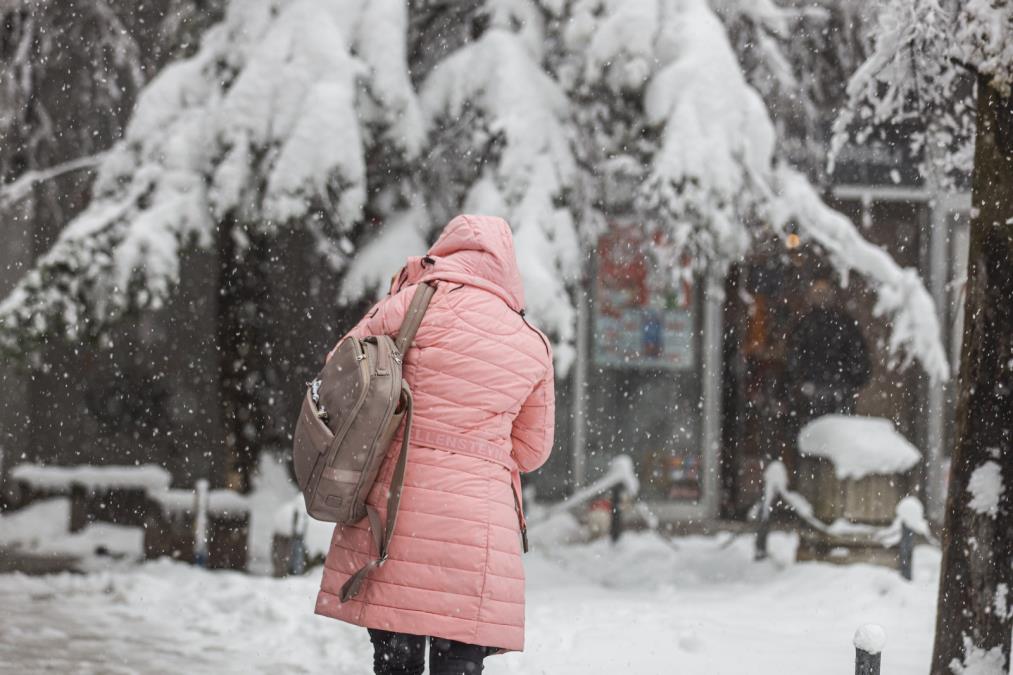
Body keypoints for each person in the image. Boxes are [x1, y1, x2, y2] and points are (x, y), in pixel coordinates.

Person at [315, 214, 556, 675]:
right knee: (459, 663)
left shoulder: (409, 305)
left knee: (396, 660)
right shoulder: (530, 341)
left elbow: (338, 373)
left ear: (445, 252)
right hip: (479, 532)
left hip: (397, 514)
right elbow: (531, 451)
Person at [786, 277, 871, 422]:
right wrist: (855, 380)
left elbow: (794, 358)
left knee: (817, 433)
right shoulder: (843, 323)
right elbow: (858, 356)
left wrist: (800, 379)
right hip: (835, 388)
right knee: (839, 431)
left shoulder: (806, 324)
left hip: (819, 389)